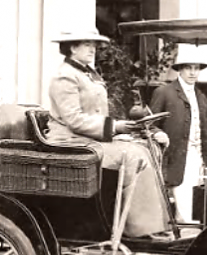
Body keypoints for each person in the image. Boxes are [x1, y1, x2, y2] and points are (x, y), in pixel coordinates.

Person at [47, 30, 171, 239]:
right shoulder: (65, 76)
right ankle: (138, 230)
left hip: (91, 139)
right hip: (70, 142)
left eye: (94, 45)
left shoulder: (87, 74)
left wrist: (122, 130)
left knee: (145, 148)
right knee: (133, 156)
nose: (92, 49)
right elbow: (75, 120)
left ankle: (156, 224)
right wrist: (114, 128)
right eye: (86, 44)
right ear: (72, 48)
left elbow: (96, 114)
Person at [149, 45, 207, 223]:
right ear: (180, 69)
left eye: (196, 68)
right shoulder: (164, 92)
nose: (193, 72)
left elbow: (206, 131)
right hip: (176, 157)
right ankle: (183, 239)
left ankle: (192, 237)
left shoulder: (201, 96)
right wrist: (157, 133)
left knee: (199, 201)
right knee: (183, 205)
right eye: (188, 68)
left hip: (199, 156)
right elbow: (148, 125)